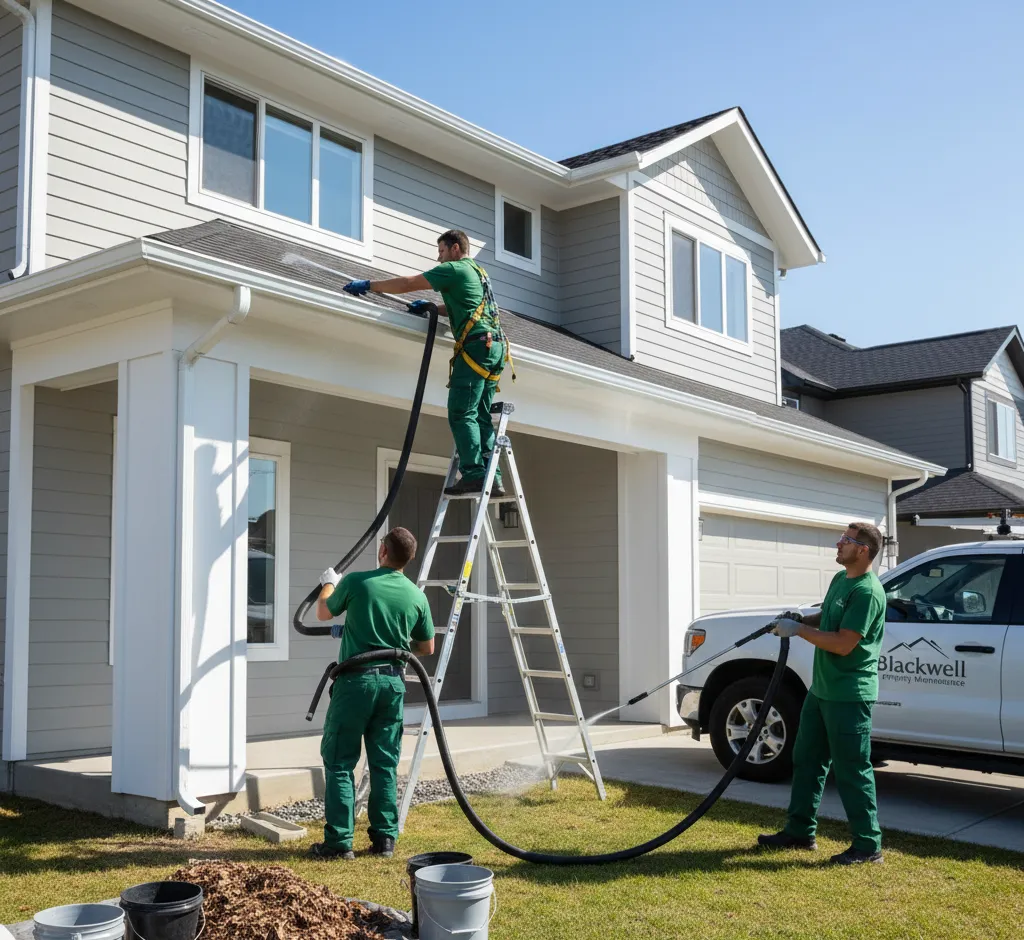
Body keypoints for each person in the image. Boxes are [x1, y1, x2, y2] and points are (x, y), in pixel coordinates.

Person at [341, 229, 512, 498]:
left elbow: (409, 283)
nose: (439, 257)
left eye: (442, 251)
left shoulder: (454, 269)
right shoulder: (478, 272)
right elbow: (466, 306)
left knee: (461, 412)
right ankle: (494, 477)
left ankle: (475, 475)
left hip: (478, 347)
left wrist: (370, 285)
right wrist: (434, 308)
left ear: (455, 248)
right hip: (495, 349)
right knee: (479, 414)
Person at [758, 521, 887, 865]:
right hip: (822, 690)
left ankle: (868, 845)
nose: (838, 543)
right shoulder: (840, 581)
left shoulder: (868, 592)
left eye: (845, 540)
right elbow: (829, 619)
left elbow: (845, 643)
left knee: (852, 768)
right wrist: (803, 619)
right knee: (807, 761)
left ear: (863, 550)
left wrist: (797, 630)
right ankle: (799, 832)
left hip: (849, 694)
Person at [309, 526, 435, 861]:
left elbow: (323, 612)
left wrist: (328, 584)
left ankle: (338, 844)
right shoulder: (416, 596)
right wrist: (392, 645)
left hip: (356, 683)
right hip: (393, 684)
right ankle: (384, 841)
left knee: (339, 761)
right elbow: (426, 647)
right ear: (408, 559)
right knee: (384, 763)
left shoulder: (356, 582)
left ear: (382, 551)